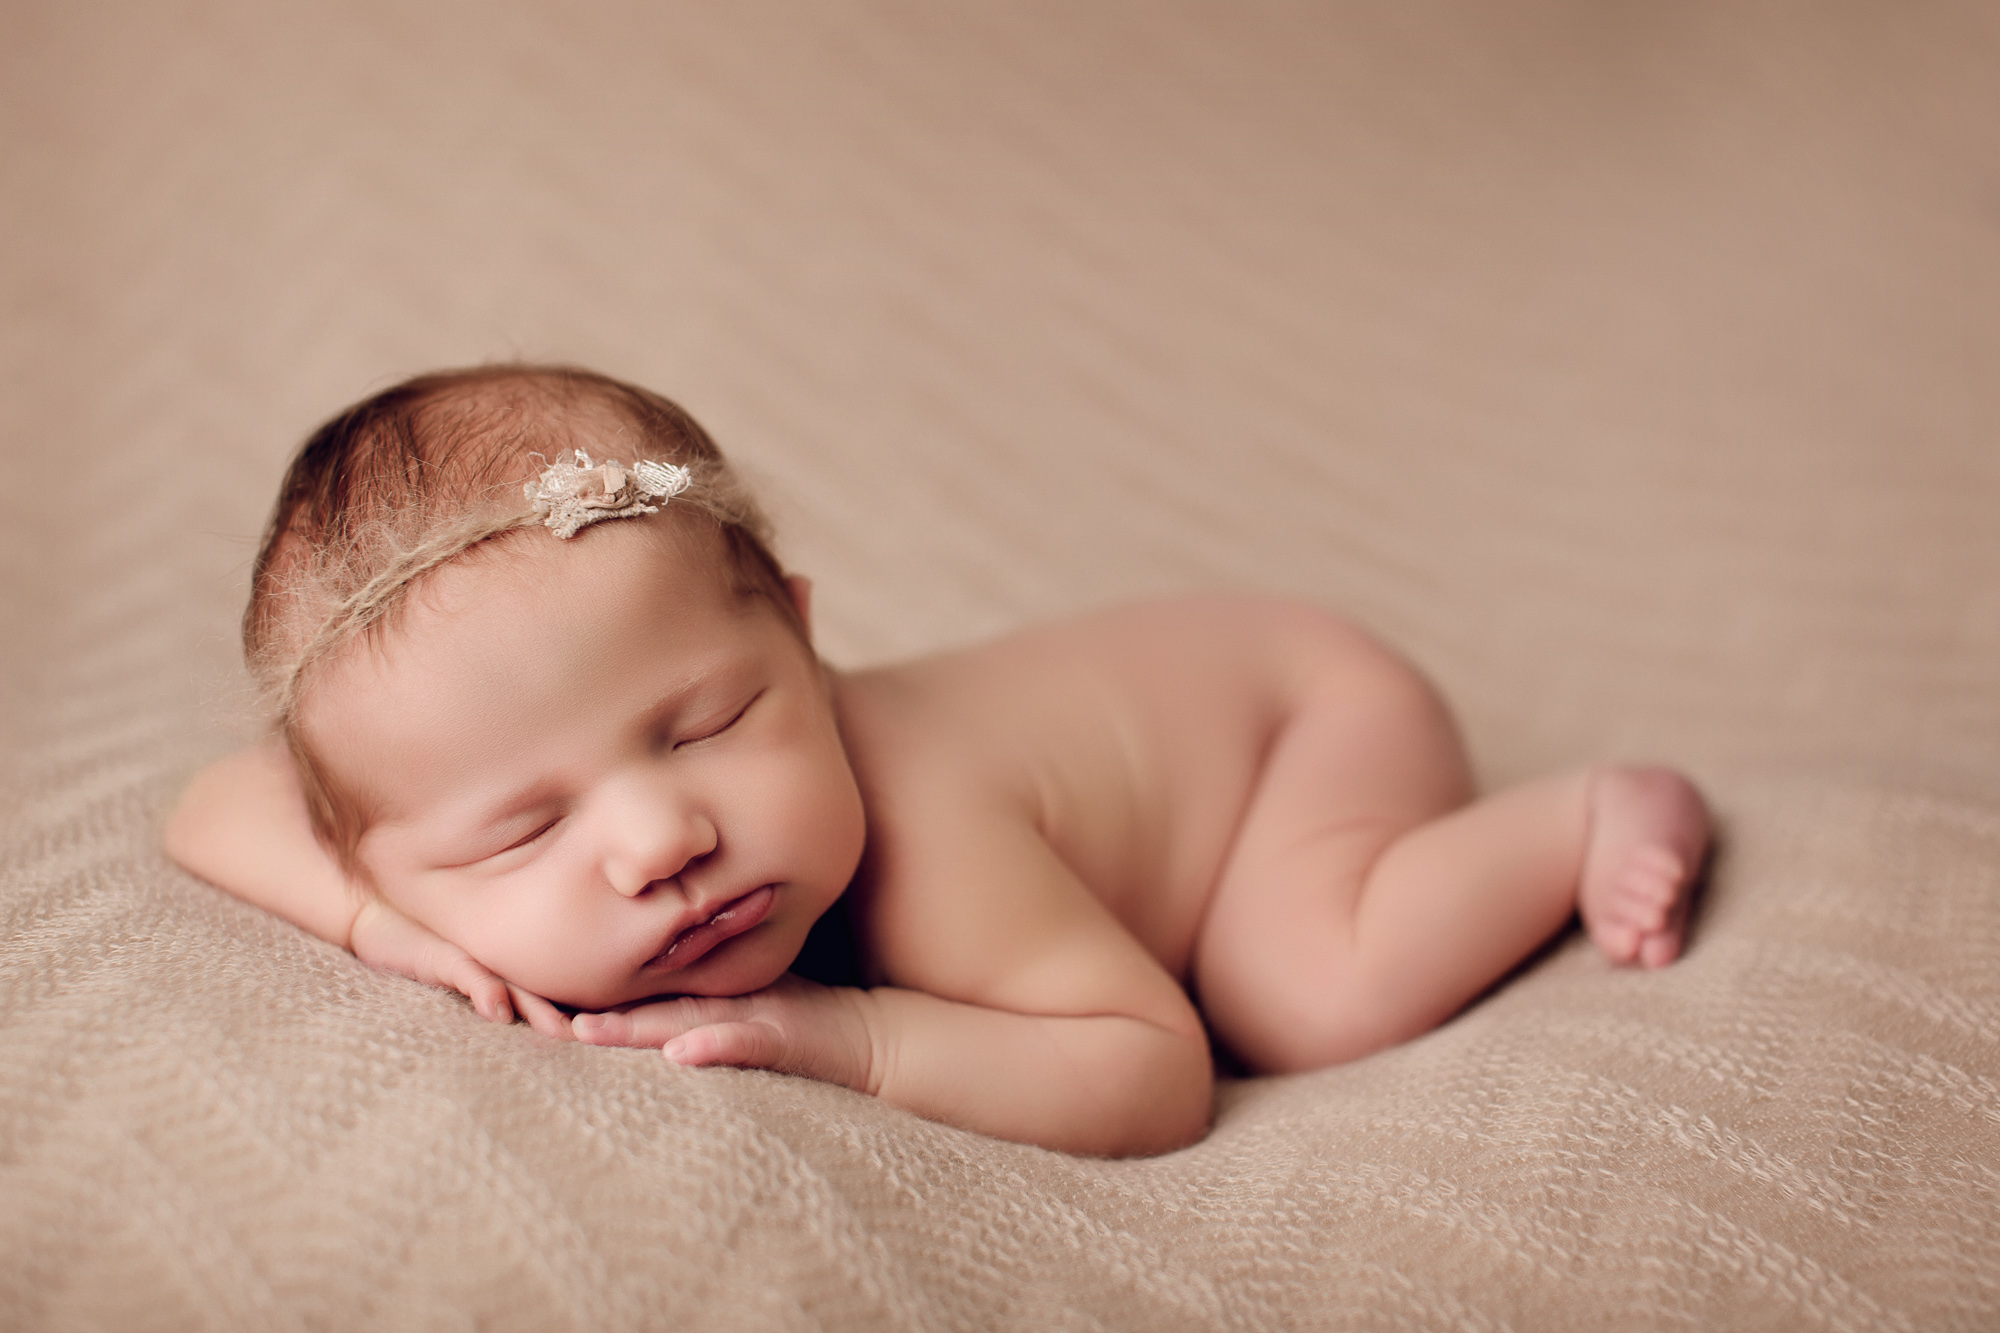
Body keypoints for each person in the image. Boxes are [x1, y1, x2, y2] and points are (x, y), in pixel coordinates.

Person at [165, 364, 1711, 1158]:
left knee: (1294, 987)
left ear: (807, 641)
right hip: (1217, 687)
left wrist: (851, 1035)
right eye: (519, 830)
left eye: (710, 723)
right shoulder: (387, 850)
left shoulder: (921, 828)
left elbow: (1155, 1066)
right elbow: (215, 805)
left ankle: (1580, 813)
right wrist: (393, 930)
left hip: (1296, 722)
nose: (659, 837)